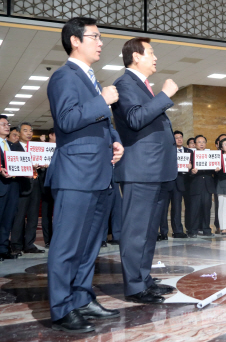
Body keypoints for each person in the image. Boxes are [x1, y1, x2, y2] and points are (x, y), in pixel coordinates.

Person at [46, 17, 124, 332]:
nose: (101, 42)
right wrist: (102, 101)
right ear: (75, 40)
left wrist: (115, 141)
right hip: (76, 175)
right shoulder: (64, 77)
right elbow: (66, 120)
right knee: (67, 246)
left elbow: (99, 124)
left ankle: (81, 298)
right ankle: (62, 308)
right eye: (95, 36)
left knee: (90, 245)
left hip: (99, 174)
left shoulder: (90, 79)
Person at [111, 37, 179, 304]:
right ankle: (134, 286)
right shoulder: (124, 83)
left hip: (156, 170)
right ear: (136, 56)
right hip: (140, 170)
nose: (155, 58)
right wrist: (165, 96)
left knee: (150, 230)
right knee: (136, 230)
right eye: (151, 52)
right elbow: (136, 118)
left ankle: (144, 279)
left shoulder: (142, 85)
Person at [11, 122, 45, 254]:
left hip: (36, 184)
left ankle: (29, 244)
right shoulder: (13, 147)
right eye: (25, 131)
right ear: (19, 133)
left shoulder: (36, 148)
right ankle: (16, 245)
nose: (29, 133)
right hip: (21, 185)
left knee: (33, 216)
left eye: (31, 131)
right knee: (19, 218)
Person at [161, 130, 191, 239]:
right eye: (176, 137)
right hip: (167, 182)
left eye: (181, 137)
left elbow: (193, 167)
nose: (179, 139)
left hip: (179, 182)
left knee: (177, 208)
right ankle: (163, 232)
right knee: (163, 209)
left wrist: (190, 167)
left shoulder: (188, 152)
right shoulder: (167, 151)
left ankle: (178, 231)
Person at [0, 115, 21, 261]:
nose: (7, 126)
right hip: (1, 184)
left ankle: (3, 249)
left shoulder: (11, 144)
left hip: (13, 186)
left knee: (8, 220)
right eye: (3, 124)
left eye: (8, 124)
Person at [189, 135, 217, 237]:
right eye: (199, 142)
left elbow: (214, 169)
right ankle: (193, 230)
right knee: (194, 209)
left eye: (203, 142)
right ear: (195, 144)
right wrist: (191, 171)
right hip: (196, 185)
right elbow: (185, 171)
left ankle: (206, 230)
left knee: (206, 208)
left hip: (208, 185)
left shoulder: (211, 155)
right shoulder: (190, 155)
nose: (201, 144)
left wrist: (216, 169)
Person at [41, 128, 56, 247]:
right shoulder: (42, 148)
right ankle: (48, 240)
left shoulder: (61, 148)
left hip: (59, 183)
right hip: (44, 184)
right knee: (46, 213)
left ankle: (57, 238)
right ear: (50, 135)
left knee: (59, 213)